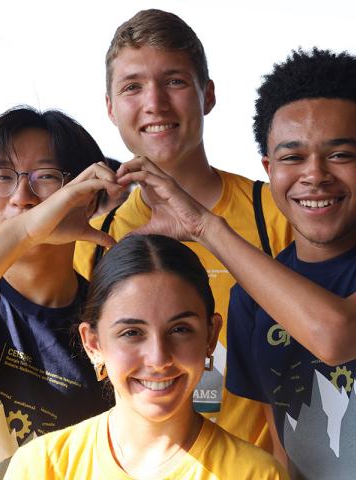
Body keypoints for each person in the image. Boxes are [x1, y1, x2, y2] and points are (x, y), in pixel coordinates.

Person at [111, 48, 356, 479]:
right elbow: (282, 445)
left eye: (340, 155)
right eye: (292, 157)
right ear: (269, 169)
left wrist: (207, 228)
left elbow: (339, 334)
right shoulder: (249, 302)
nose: (314, 175)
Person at [73, 8, 292, 448]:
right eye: (133, 86)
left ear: (207, 95)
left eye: (173, 81)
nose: (154, 103)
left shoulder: (277, 213)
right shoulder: (95, 237)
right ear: (110, 108)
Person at [0, 106, 122, 478]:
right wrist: (26, 231)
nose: (22, 196)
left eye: (46, 176)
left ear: (88, 199)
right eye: (2, 177)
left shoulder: (110, 325)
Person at [5, 234, 289, 479]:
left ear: (211, 336)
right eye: (131, 333)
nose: (158, 358)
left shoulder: (256, 474)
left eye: (179, 329)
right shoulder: (42, 467)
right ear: (93, 344)